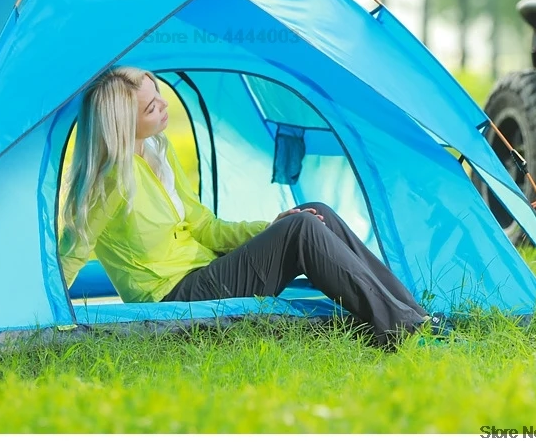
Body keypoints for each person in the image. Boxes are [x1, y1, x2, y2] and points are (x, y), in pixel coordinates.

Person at [58, 66, 433, 346]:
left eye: (159, 96)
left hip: (205, 270)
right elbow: (72, 253)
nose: (164, 106)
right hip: (173, 294)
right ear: (123, 124)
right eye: (151, 107)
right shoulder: (107, 184)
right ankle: (399, 330)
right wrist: (44, 314)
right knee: (301, 231)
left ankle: (413, 315)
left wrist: (271, 226)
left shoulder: (157, 151)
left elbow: (204, 225)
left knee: (311, 211)